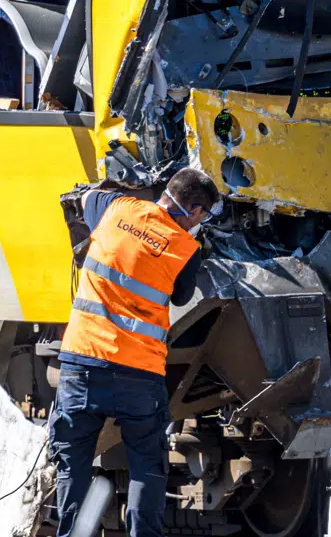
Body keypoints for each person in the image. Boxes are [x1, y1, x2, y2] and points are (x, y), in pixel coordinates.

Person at [50, 167, 221, 537]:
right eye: (204, 215)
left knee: (73, 463)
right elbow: (181, 295)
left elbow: (83, 198)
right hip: (138, 374)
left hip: (82, 362)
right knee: (146, 464)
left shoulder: (116, 207)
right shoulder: (185, 248)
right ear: (193, 211)